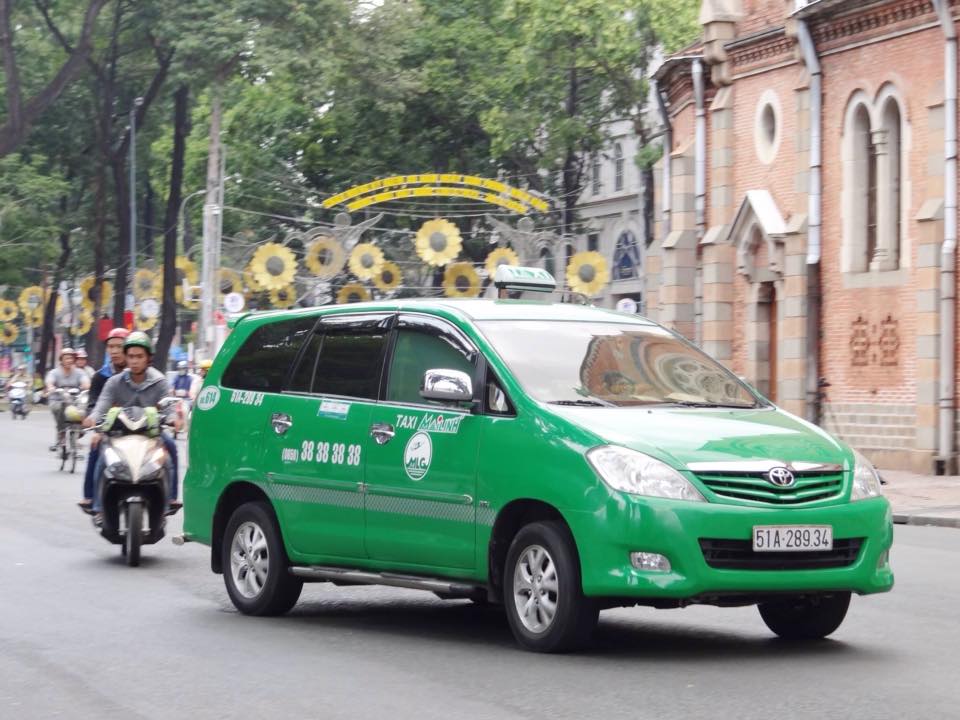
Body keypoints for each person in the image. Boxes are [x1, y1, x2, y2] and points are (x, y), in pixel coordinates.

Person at [84, 332, 182, 517]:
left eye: (139, 356)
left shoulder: (160, 381)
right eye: (131, 356)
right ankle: (97, 504)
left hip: (151, 432)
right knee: (101, 453)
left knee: (169, 448)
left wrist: (173, 419)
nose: (134, 361)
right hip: (119, 432)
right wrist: (93, 419)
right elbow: (101, 405)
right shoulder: (114, 382)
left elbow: (169, 407)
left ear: (148, 359)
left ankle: (170, 498)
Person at [78, 328, 129, 510]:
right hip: (109, 427)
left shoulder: (141, 373)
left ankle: (166, 500)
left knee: (166, 447)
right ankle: (90, 496)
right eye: (110, 346)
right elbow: (94, 404)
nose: (114, 351)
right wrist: (95, 424)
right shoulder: (101, 376)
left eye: (119, 346)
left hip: (141, 426)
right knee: (95, 448)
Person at [45, 347, 90, 451]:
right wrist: (51, 387)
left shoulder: (79, 372)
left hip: (75, 400)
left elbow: (86, 381)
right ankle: (61, 434)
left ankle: (78, 432)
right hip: (58, 400)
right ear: (61, 360)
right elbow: (49, 381)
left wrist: (86, 386)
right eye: (66, 358)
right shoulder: (54, 372)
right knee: (61, 408)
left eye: (71, 358)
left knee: (85, 409)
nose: (69, 360)